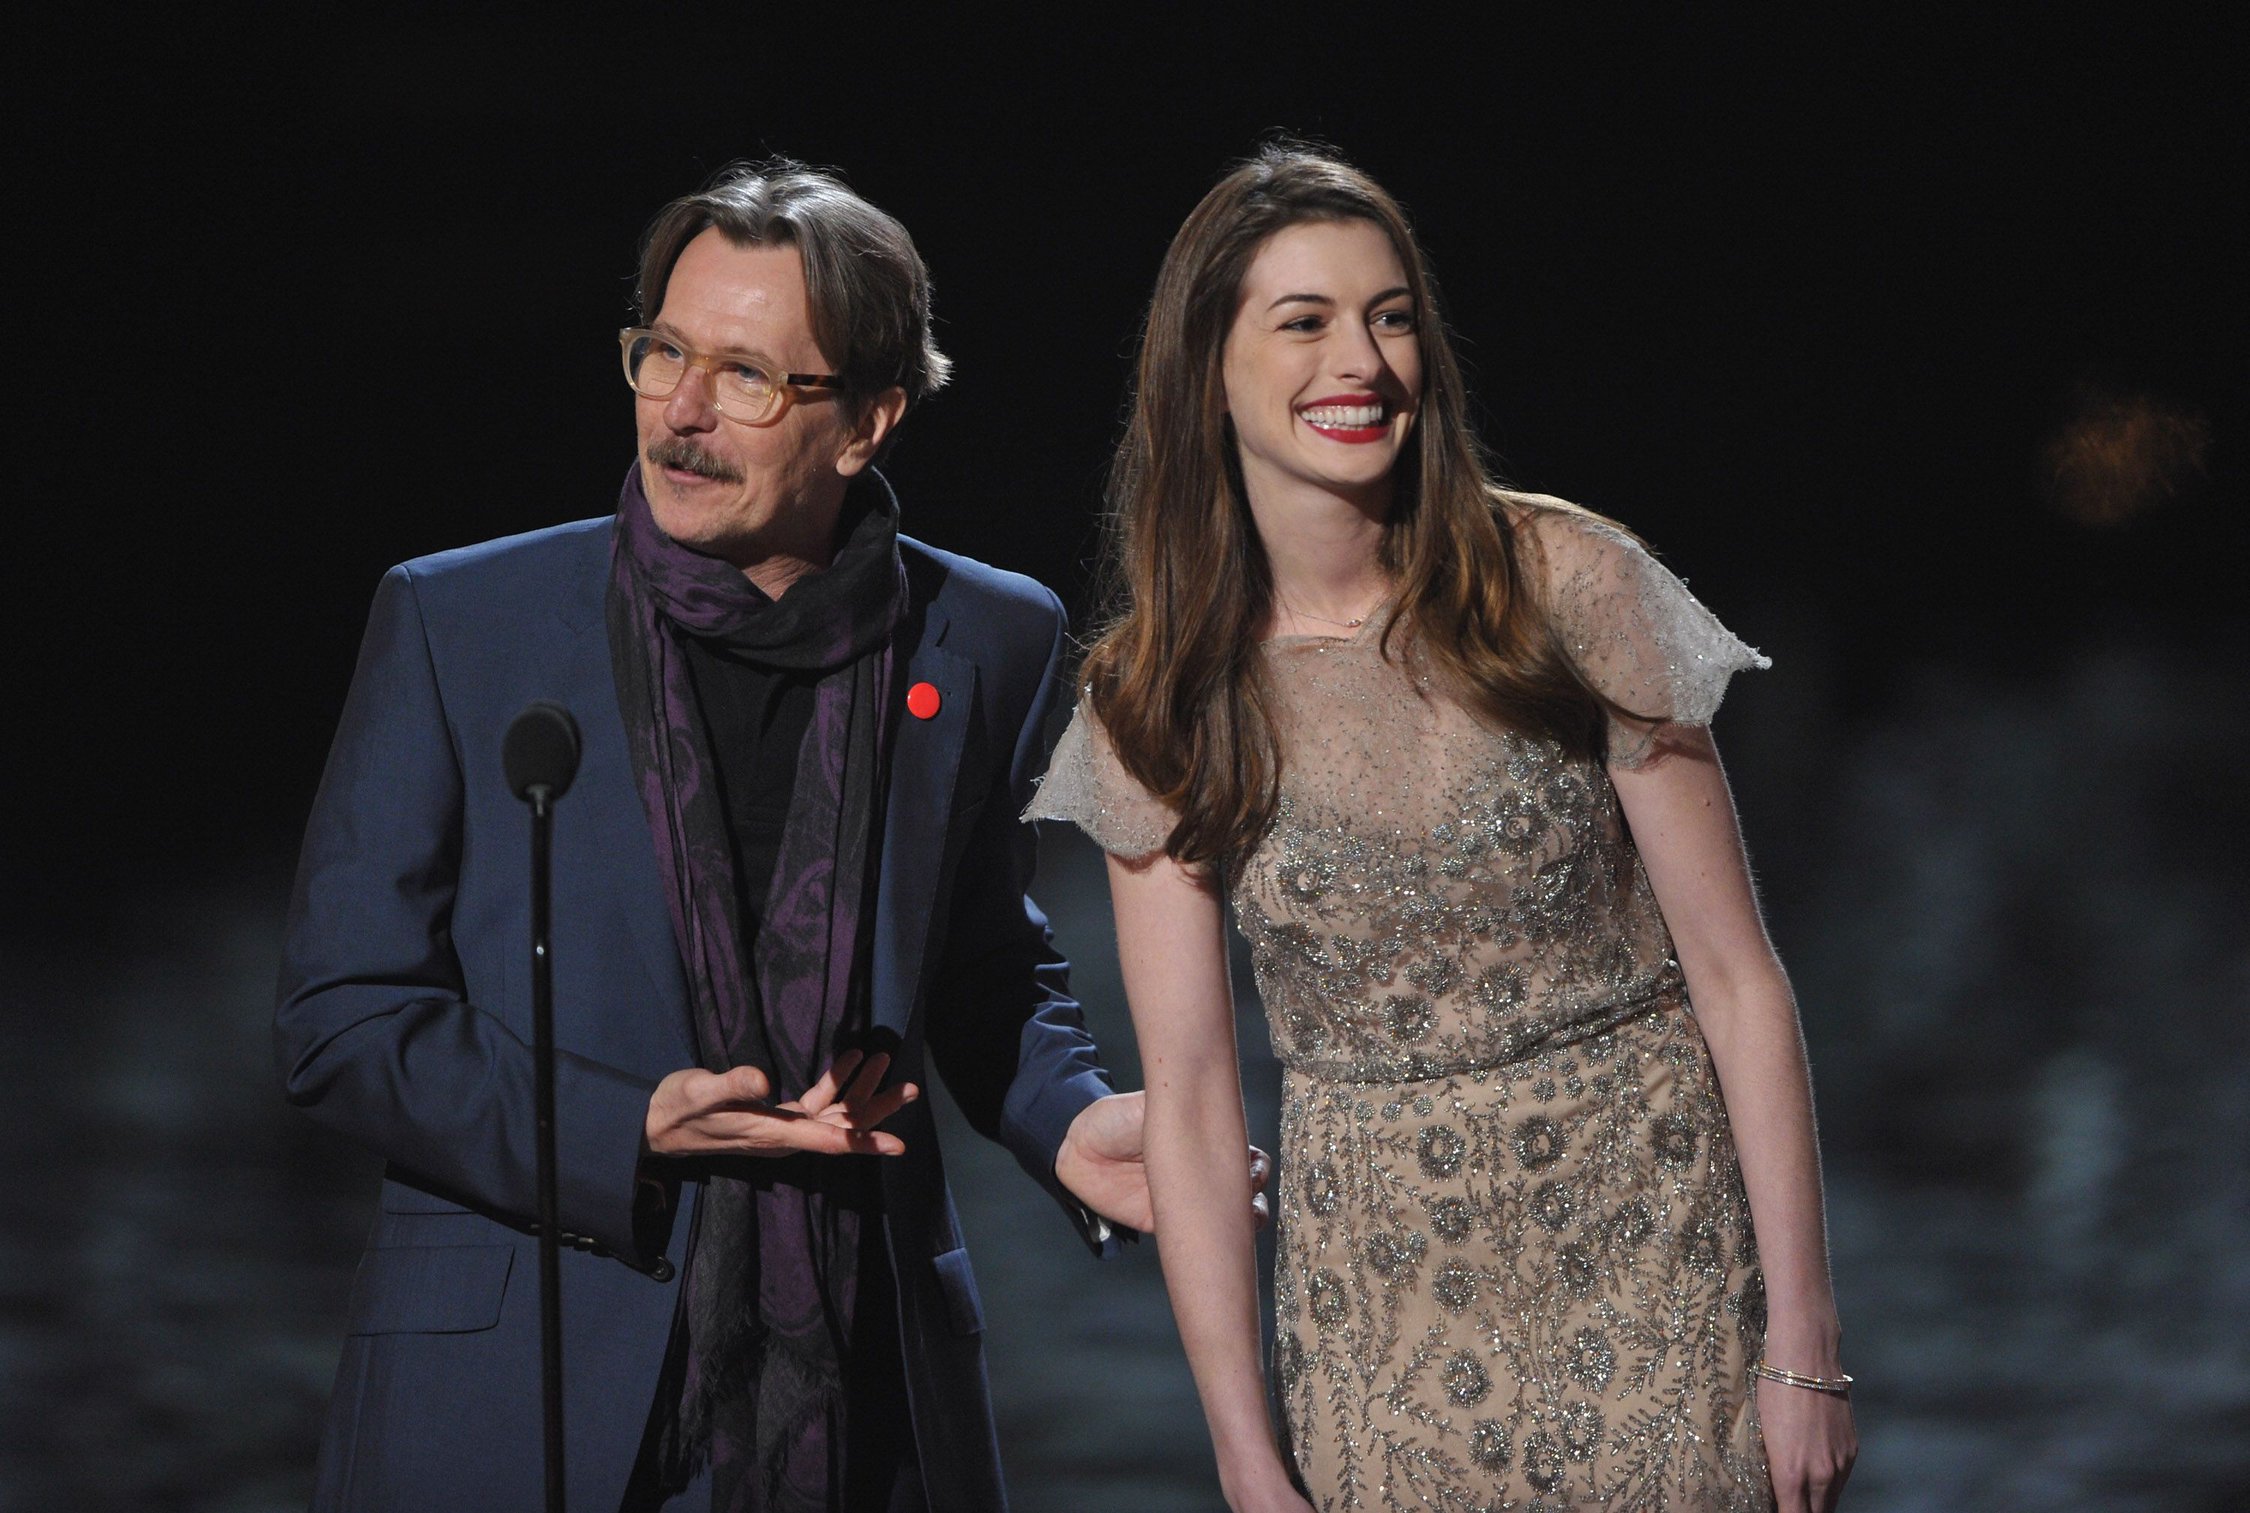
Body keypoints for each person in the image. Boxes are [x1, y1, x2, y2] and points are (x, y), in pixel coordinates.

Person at [276, 160, 1261, 1513]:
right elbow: (342, 1018)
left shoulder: (983, 637)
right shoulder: (464, 624)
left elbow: (979, 961)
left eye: (746, 375)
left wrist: (1066, 1116)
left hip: (864, 1397)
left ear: (865, 421)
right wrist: (628, 1127)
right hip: (519, 1399)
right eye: (661, 352)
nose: (678, 413)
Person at [1028, 146, 1858, 1512]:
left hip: (1657, 1248)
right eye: (1302, 320)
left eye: (1389, 313)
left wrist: (1805, 1346)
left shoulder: (1569, 585)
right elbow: (1185, 1092)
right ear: (1207, 367)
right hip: (1381, 1312)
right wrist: (1243, 1454)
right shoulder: (1155, 698)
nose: (1359, 359)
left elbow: (1736, 976)